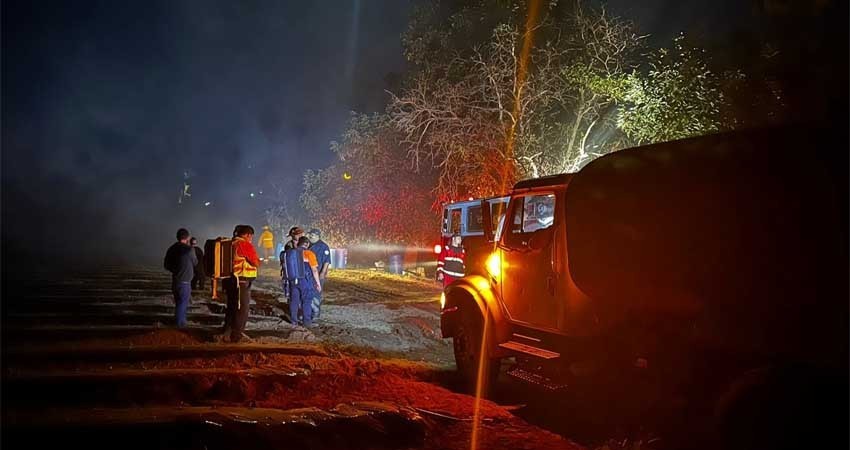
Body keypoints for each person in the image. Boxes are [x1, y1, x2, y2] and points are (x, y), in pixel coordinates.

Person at [222, 224, 260, 342]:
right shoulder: (244, 244)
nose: (251, 239)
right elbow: (255, 262)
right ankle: (237, 335)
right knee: (242, 308)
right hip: (241, 280)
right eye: (251, 236)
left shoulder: (230, 243)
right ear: (248, 235)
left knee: (232, 306)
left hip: (230, 279)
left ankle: (227, 331)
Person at [282, 236, 322, 327]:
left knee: (294, 301)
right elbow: (314, 270)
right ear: (307, 244)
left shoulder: (290, 253)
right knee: (306, 301)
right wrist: (318, 283)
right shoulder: (309, 253)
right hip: (305, 281)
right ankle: (306, 322)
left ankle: (294, 321)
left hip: (292, 280)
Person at [163, 228, 197, 328]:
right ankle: (180, 325)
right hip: (185, 281)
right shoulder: (189, 249)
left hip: (175, 280)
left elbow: (166, 265)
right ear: (187, 238)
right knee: (183, 303)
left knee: (179, 303)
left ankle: (181, 321)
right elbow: (195, 262)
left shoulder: (171, 249)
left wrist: (176, 270)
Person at [307, 228, 331, 319]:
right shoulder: (309, 245)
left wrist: (323, 273)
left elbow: (327, 261)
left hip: (318, 273)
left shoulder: (323, 246)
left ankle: (315, 314)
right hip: (309, 274)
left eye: (312, 235)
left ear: (318, 236)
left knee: (316, 294)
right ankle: (308, 312)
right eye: (310, 235)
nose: (310, 236)